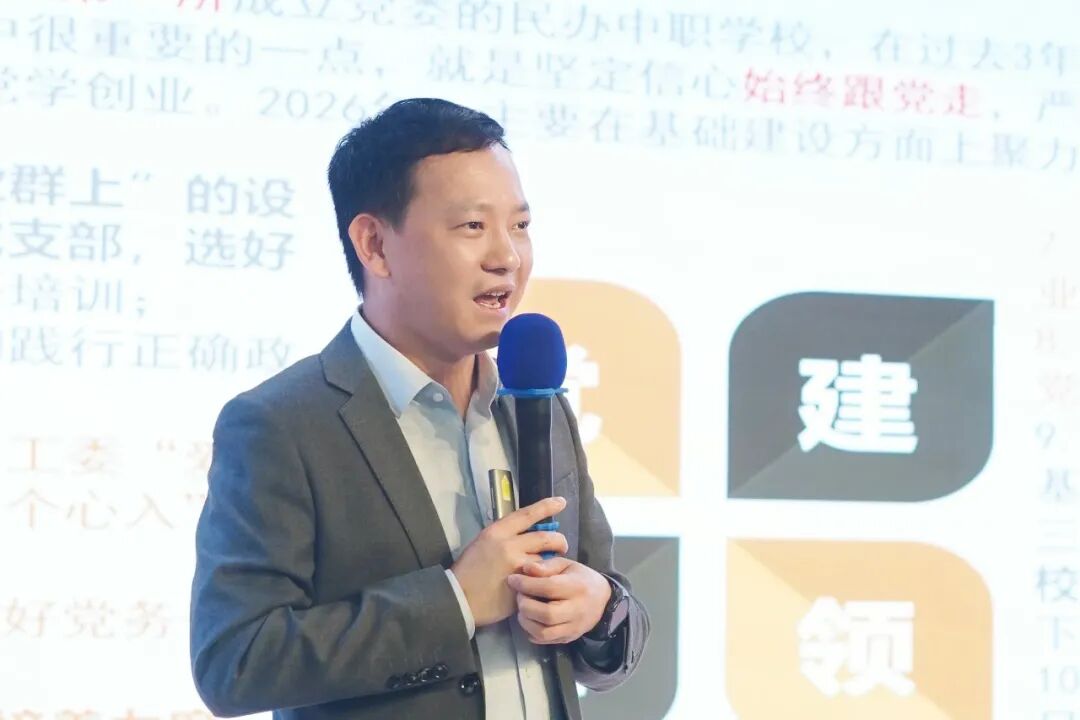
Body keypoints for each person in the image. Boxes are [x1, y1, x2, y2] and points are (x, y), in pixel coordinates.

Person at [189, 98, 649, 720]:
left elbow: (613, 620)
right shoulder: (282, 426)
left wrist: (598, 609)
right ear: (374, 244)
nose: (507, 257)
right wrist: (456, 601)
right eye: (472, 226)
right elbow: (235, 662)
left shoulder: (536, 405)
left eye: (519, 225)